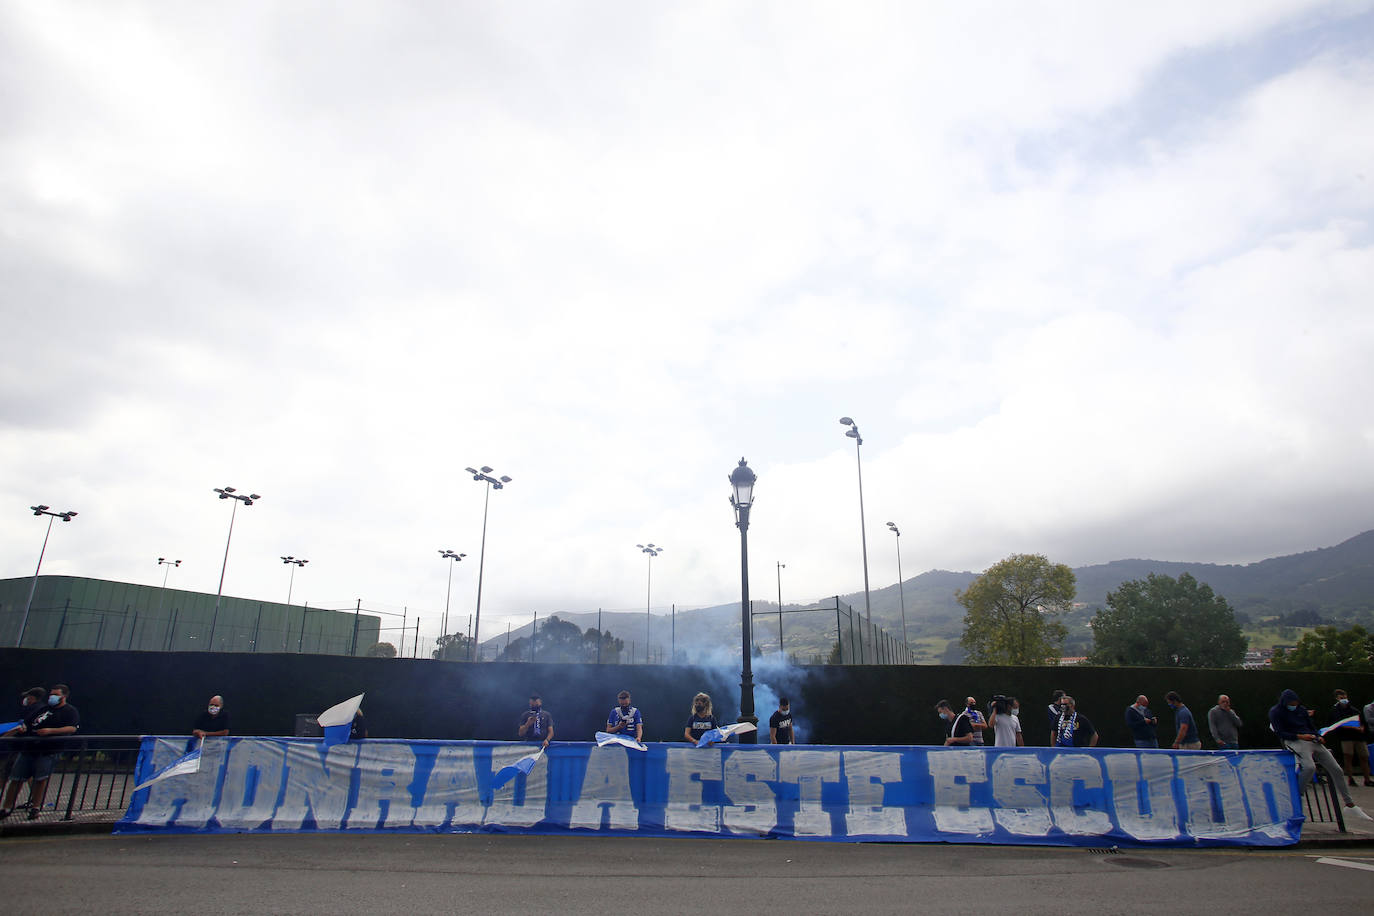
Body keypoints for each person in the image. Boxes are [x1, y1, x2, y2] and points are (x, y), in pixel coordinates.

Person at [0, 684, 80, 821]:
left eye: (56, 694)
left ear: (64, 696)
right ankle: (6, 807)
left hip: (48, 751)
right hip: (29, 749)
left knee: (40, 780)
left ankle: (35, 807)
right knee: (16, 779)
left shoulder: (70, 711)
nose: (52, 697)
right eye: (51, 694)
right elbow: (27, 722)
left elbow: (72, 728)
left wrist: (50, 731)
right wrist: (22, 729)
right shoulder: (43, 709)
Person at [1269, 688, 1355, 808]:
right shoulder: (1276, 712)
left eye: (1295, 704)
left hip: (1312, 739)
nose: (1294, 706)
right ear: (1285, 702)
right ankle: (1297, 795)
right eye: (1291, 704)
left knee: (1336, 769)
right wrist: (1299, 736)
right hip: (1295, 741)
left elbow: (1311, 725)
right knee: (1309, 767)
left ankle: (1349, 802)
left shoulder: (1301, 710)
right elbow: (1280, 732)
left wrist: (1318, 736)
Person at [1329, 689, 1373, 788]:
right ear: (1336, 698)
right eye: (1341, 698)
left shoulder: (1353, 709)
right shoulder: (1335, 711)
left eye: (1345, 697)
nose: (1344, 699)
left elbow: (1361, 720)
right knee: (1348, 757)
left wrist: (1361, 727)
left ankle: (1367, 779)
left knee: (1364, 756)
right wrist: (1353, 727)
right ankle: (1350, 778)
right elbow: (1339, 724)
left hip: (1358, 737)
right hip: (1346, 737)